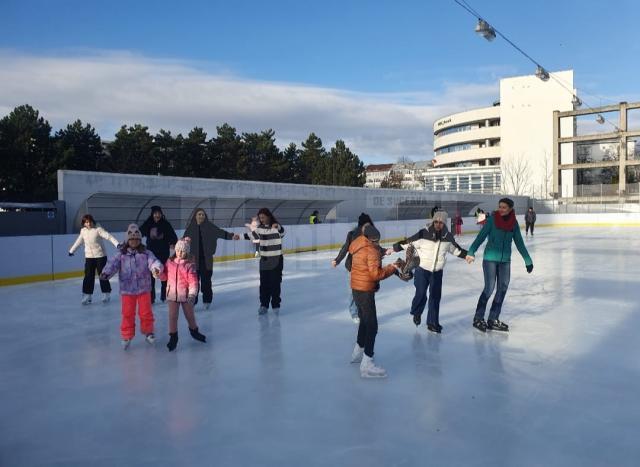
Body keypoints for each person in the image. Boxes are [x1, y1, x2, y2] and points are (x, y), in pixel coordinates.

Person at [390, 211, 467, 333]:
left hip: (437, 272)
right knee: (421, 293)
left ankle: (432, 323)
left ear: (444, 223)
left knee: (435, 297)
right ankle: (417, 312)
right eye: (436, 221)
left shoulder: (448, 237)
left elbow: (456, 250)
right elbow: (407, 243)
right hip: (422, 270)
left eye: (441, 222)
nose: (438, 224)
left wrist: (467, 256)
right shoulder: (423, 233)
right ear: (433, 221)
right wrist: (392, 249)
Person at [465, 198, 534, 333]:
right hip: (490, 259)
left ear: (510, 209)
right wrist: (471, 251)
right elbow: (480, 237)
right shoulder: (492, 220)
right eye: (500, 206)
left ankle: (493, 319)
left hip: (505, 261)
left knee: (502, 288)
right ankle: (478, 318)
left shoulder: (513, 223)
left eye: (504, 207)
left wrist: (528, 260)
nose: (501, 209)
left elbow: (519, 243)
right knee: (489, 288)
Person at [100, 224, 163, 350]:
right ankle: (127, 335)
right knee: (127, 313)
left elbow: (154, 262)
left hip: (144, 288)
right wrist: (106, 272)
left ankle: (148, 332)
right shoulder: (121, 254)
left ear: (140, 240)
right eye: (131, 239)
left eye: (136, 239)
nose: (134, 241)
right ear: (127, 240)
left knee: (146, 312)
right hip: (127, 289)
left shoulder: (146, 253)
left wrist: (156, 269)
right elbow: (112, 264)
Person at [349, 224, 399, 378]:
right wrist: (392, 268)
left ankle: (358, 351)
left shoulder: (358, 243)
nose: (378, 243)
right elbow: (376, 274)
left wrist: (385, 251)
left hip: (356, 288)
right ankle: (367, 364)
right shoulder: (371, 250)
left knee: (364, 321)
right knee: (372, 325)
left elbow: (372, 253)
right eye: (377, 240)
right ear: (372, 239)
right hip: (365, 290)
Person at [332, 213, 390, 323]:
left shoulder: (367, 234)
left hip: (364, 267)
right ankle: (355, 313)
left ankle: (360, 313)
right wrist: (337, 260)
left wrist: (384, 251)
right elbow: (345, 248)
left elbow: (375, 247)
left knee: (361, 292)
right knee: (354, 291)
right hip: (354, 268)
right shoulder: (353, 234)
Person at [184, 208, 240, 309]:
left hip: (207, 260)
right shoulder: (191, 228)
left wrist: (231, 236)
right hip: (193, 260)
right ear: (195, 216)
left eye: (203, 215)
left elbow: (220, 232)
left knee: (206, 281)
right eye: (199, 214)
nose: (201, 216)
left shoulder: (210, 227)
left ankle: (207, 300)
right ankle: (193, 301)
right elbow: (183, 243)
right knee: (193, 282)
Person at [158, 237, 206, 351]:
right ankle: (173, 337)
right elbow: (164, 276)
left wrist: (192, 294)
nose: (180, 253)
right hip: (172, 294)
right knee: (172, 316)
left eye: (183, 251)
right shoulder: (169, 262)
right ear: (175, 249)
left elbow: (193, 281)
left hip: (186, 296)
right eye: (178, 250)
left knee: (189, 316)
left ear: (187, 252)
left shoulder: (189, 265)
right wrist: (158, 274)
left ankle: (194, 331)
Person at [68, 214, 120, 305]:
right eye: (86, 222)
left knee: (103, 275)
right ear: (84, 223)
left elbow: (109, 236)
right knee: (88, 276)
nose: (88, 224)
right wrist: (72, 250)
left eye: (89, 221)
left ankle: (106, 293)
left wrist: (117, 244)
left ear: (92, 221)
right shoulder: (83, 231)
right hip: (89, 257)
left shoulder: (98, 229)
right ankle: (88, 295)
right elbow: (79, 241)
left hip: (100, 256)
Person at [245, 208, 285, 315]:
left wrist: (278, 227)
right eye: (260, 218)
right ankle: (264, 305)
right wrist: (236, 236)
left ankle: (276, 305)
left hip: (277, 259)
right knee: (264, 284)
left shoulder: (275, 226)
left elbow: (283, 233)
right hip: (264, 260)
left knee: (275, 283)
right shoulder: (260, 228)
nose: (261, 219)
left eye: (263, 217)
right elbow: (250, 235)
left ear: (268, 216)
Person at [140, 206, 178, 303]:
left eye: (159, 213)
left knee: (164, 275)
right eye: (155, 213)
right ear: (152, 214)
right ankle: (151, 298)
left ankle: (164, 296)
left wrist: (173, 243)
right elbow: (139, 232)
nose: (157, 215)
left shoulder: (166, 224)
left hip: (163, 253)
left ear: (161, 214)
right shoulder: (148, 223)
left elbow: (173, 236)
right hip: (151, 254)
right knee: (150, 276)